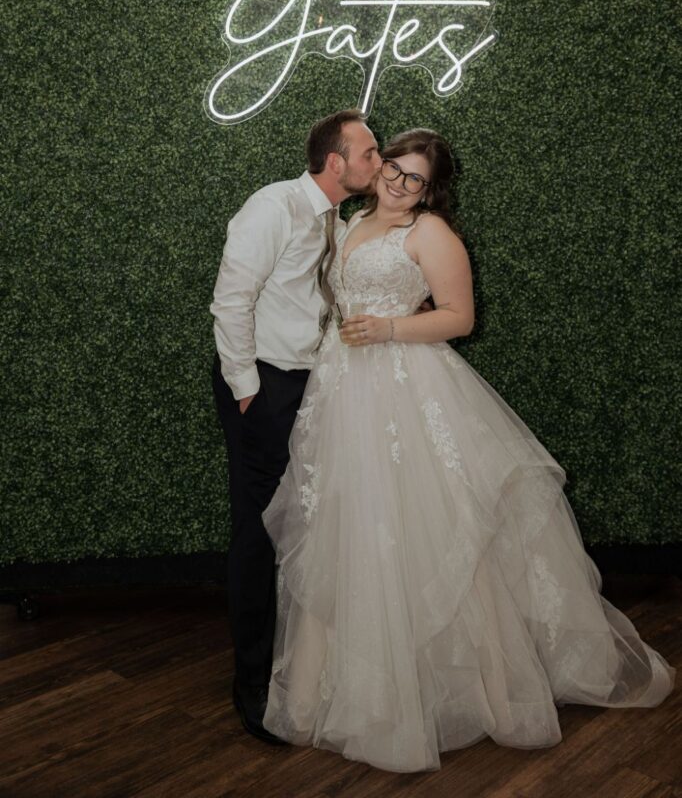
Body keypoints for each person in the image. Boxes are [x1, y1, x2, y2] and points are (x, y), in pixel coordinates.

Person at [261, 127, 676, 773]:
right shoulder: (349, 221)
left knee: (441, 527)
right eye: (393, 168)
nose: (399, 184)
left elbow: (460, 317)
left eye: (414, 179)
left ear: (432, 189)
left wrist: (392, 327)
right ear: (380, 166)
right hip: (344, 393)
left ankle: (490, 691)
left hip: (406, 390)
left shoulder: (430, 235)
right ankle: (330, 694)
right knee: (350, 529)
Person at [210, 108, 382, 744]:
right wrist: (249, 392)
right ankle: (251, 682)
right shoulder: (273, 206)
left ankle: (301, 669)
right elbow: (231, 301)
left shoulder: (337, 219)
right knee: (259, 532)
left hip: (315, 385)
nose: (377, 160)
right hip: (266, 387)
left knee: (308, 521)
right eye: (368, 152)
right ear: (336, 162)